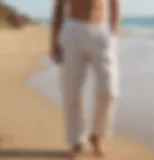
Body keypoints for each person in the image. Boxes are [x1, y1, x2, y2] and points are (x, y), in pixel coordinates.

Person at [51, 0, 120, 158]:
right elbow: (59, 7)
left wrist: (114, 31)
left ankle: (97, 135)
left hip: (100, 30)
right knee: (72, 90)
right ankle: (76, 140)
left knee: (109, 90)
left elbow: (115, 3)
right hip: (72, 30)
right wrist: (54, 42)